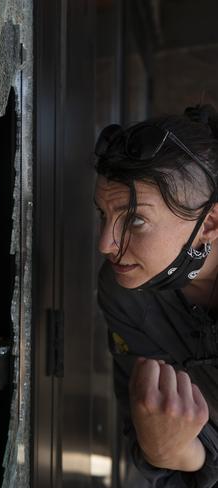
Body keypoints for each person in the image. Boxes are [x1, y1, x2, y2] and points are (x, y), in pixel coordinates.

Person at [95, 105, 218, 487]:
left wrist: (179, 453)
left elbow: (168, 443)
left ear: (208, 225)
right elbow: (149, 427)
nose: (105, 244)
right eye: (104, 215)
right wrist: (172, 453)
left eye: (135, 219)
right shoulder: (127, 293)